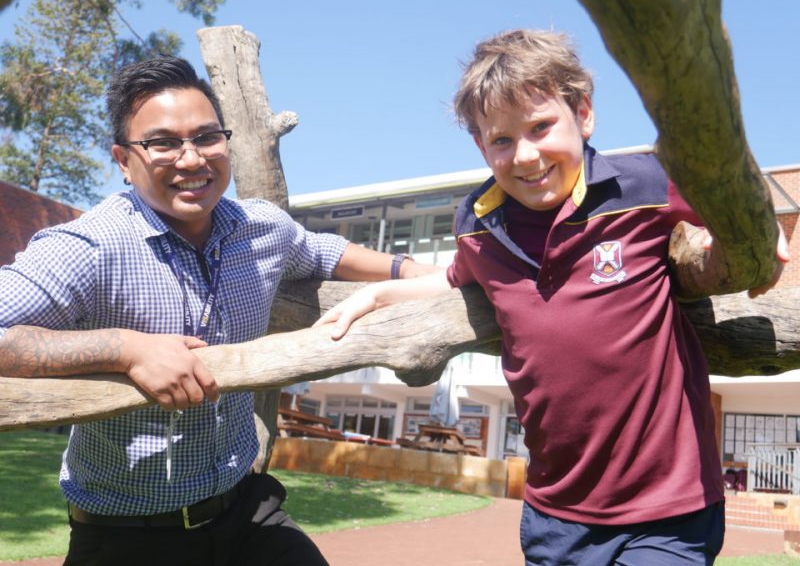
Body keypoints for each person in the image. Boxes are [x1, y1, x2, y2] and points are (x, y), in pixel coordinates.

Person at [315, 29, 789, 565]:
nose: (525, 155)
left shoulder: (645, 185)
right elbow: (454, 277)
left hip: (669, 506)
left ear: (583, 113)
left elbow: (733, 201)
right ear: (481, 146)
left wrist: (761, 229)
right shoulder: (478, 222)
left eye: (541, 127)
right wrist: (378, 296)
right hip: (557, 513)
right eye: (501, 140)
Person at [0, 55, 436, 566]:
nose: (191, 159)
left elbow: (325, 251)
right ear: (123, 160)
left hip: (245, 512)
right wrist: (126, 349)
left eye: (207, 137)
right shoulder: (91, 246)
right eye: (162, 143)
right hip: (127, 533)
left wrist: (425, 275)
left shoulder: (262, 229)